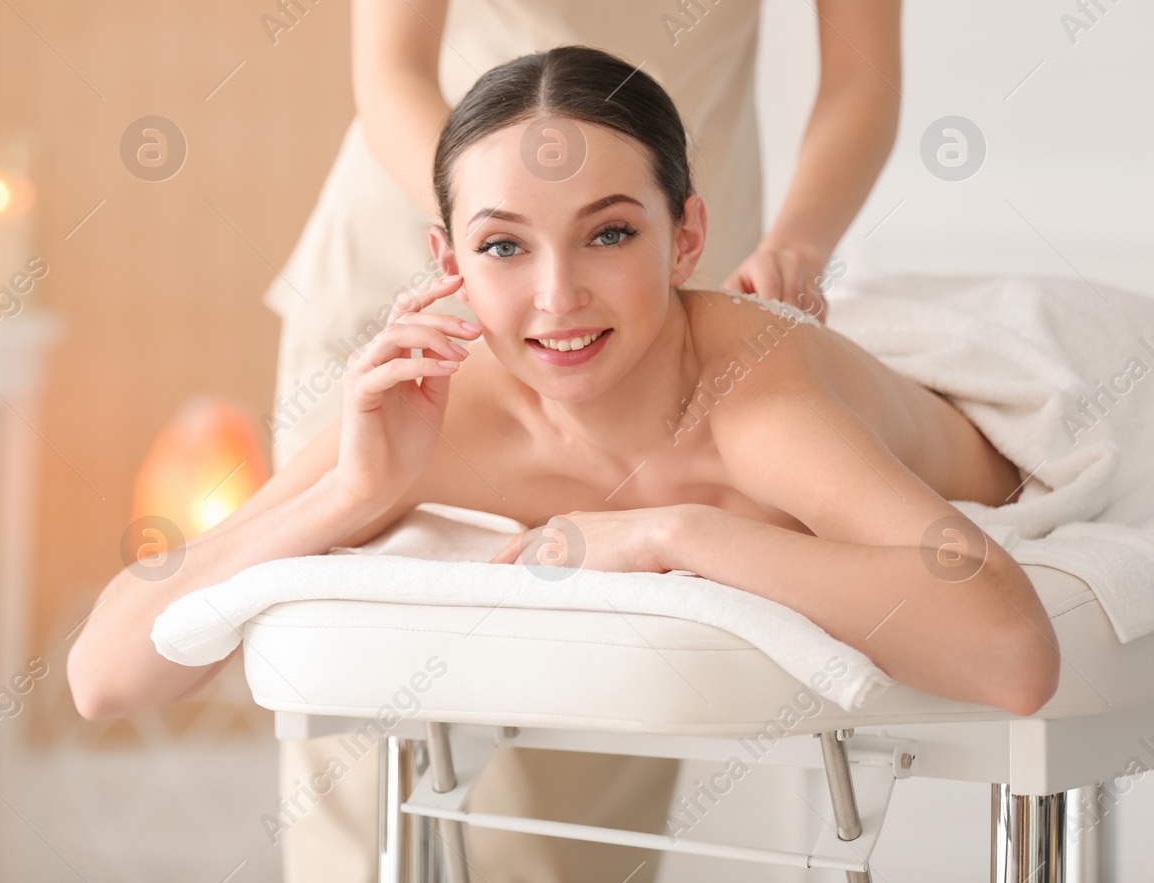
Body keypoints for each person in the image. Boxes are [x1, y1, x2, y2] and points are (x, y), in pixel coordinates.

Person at [73, 48, 1060, 879]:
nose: (557, 296)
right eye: (503, 247)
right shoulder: (441, 407)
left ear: (686, 238)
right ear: (446, 262)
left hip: (1022, 391)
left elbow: (1012, 649)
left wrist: (676, 534)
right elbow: (104, 674)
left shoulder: (755, 402)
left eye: (610, 233)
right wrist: (351, 491)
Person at [263, 0, 905, 877]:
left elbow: (863, 77)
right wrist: (502, 246)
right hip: (419, 274)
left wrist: (793, 244)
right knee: (357, 758)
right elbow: (388, 62)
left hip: (647, 307)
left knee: (583, 785)